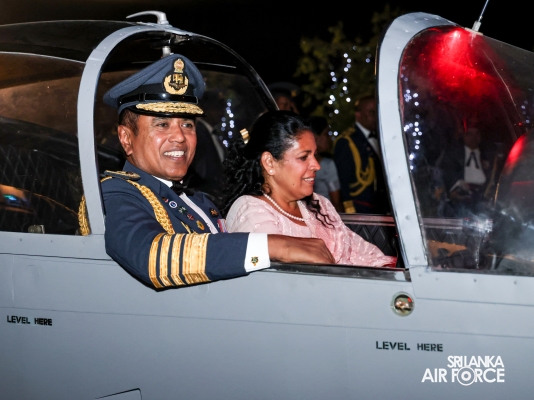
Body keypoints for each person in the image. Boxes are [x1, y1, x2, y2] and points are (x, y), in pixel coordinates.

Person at [99, 54, 334, 289]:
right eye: (162, 124)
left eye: (187, 124)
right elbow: (152, 257)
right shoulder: (114, 193)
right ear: (126, 138)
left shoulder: (199, 201)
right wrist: (275, 245)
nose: (180, 136)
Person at [223, 111, 396, 267]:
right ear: (269, 163)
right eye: (303, 157)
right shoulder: (251, 211)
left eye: (314, 155)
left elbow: (365, 254)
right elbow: (280, 284)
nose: (316, 165)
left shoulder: (318, 204)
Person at [333, 95, 389, 214]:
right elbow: (343, 180)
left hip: (381, 207)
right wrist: (349, 210)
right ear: (358, 115)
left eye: (377, 111)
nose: (376, 116)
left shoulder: (381, 136)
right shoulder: (346, 142)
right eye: (371, 112)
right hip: (361, 208)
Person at [307, 116, 343, 212]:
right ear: (315, 138)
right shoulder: (328, 166)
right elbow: (336, 202)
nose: (329, 139)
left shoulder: (300, 164)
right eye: (326, 134)